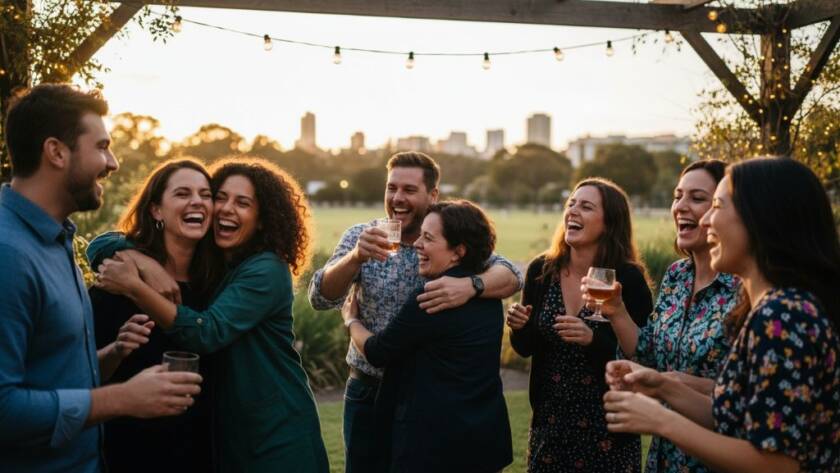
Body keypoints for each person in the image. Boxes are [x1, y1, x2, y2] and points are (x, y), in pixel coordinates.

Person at [0, 84, 202, 473]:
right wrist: (121, 398)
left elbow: (46, 374)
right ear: (56, 152)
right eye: (102, 146)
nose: (112, 162)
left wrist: (111, 355)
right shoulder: (9, 254)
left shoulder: (56, 239)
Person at [603, 157, 840, 473]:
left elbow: (776, 464)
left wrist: (661, 420)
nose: (705, 221)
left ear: (762, 219)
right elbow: (734, 417)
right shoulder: (772, 307)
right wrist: (662, 386)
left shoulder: (783, 316)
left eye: (715, 205)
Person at [93, 157, 329, 472]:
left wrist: (136, 285)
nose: (224, 208)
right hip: (209, 442)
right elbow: (100, 243)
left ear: (262, 219)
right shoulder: (215, 267)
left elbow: (205, 332)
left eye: (242, 202)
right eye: (220, 198)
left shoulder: (264, 269)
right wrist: (142, 261)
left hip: (275, 433)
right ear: (156, 209)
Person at [307, 151, 522, 472]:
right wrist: (355, 258)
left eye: (409, 190)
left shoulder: (447, 238)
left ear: (432, 195)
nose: (397, 198)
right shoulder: (360, 236)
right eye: (391, 188)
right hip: (367, 388)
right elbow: (319, 298)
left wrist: (471, 286)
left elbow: (512, 273)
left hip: (420, 396)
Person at [583, 160, 738, 473]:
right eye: (677, 196)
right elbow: (649, 353)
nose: (680, 206)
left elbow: (749, 391)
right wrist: (617, 311)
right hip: (664, 457)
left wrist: (673, 384)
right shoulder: (677, 275)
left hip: (718, 456)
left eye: (697, 198)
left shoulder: (745, 287)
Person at [342, 200, 513, 473]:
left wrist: (351, 320)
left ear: (458, 252)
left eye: (428, 238)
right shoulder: (485, 292)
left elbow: (377, 351)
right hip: (482, 437)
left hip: (434, 444)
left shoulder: (432, 296)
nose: (418, 244)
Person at [507, 177, 652, 472]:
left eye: (586, 206)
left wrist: (592, 340)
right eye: (571, 203)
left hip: (610, 427)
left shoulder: (628, 278)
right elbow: (526, 348)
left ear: (609, 223)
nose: (573, 211)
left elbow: (644, 355)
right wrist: (519, 327)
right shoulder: (542, 270)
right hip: (550, 424)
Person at [89, 159, 222, 473]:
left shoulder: (219, 284)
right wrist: (119, 350)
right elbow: (82, 374)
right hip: (129, 452)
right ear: (156, 211)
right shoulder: (119, 283)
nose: (197, 202)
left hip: (204, 453)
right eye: (182, 194)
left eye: (206, 194)